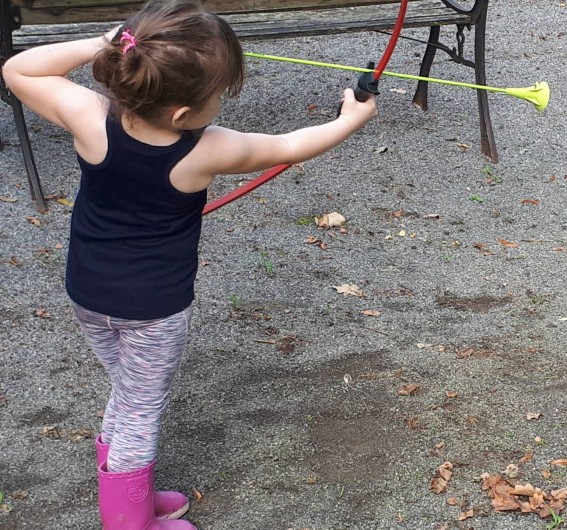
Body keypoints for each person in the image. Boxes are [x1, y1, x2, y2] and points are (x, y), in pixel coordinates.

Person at [2, 0, 377, 527]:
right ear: (182, 114)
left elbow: (18, 68)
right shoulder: (204, 150)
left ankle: (126, 491)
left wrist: (104, 42)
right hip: (153, 308)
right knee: (139, 409)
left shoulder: (89, 115)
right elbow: (291, 145)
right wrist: (351, 119)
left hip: (88, 291)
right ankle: (127, 520)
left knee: (128, 392)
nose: (220, 104)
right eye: (218, 95)